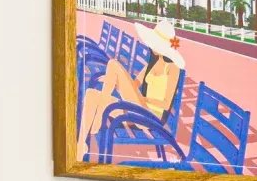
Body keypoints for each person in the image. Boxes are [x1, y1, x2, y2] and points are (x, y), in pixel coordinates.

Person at [79, 19, 186, 155]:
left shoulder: (172, 68)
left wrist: (142, 99)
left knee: (113, 64)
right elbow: (134, 84)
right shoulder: (151, 64)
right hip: (139, 107)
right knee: (91, 94)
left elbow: (165, 104)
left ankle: (99, 115)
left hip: (150, 117)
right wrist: (112, 80)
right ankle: (80, 146)